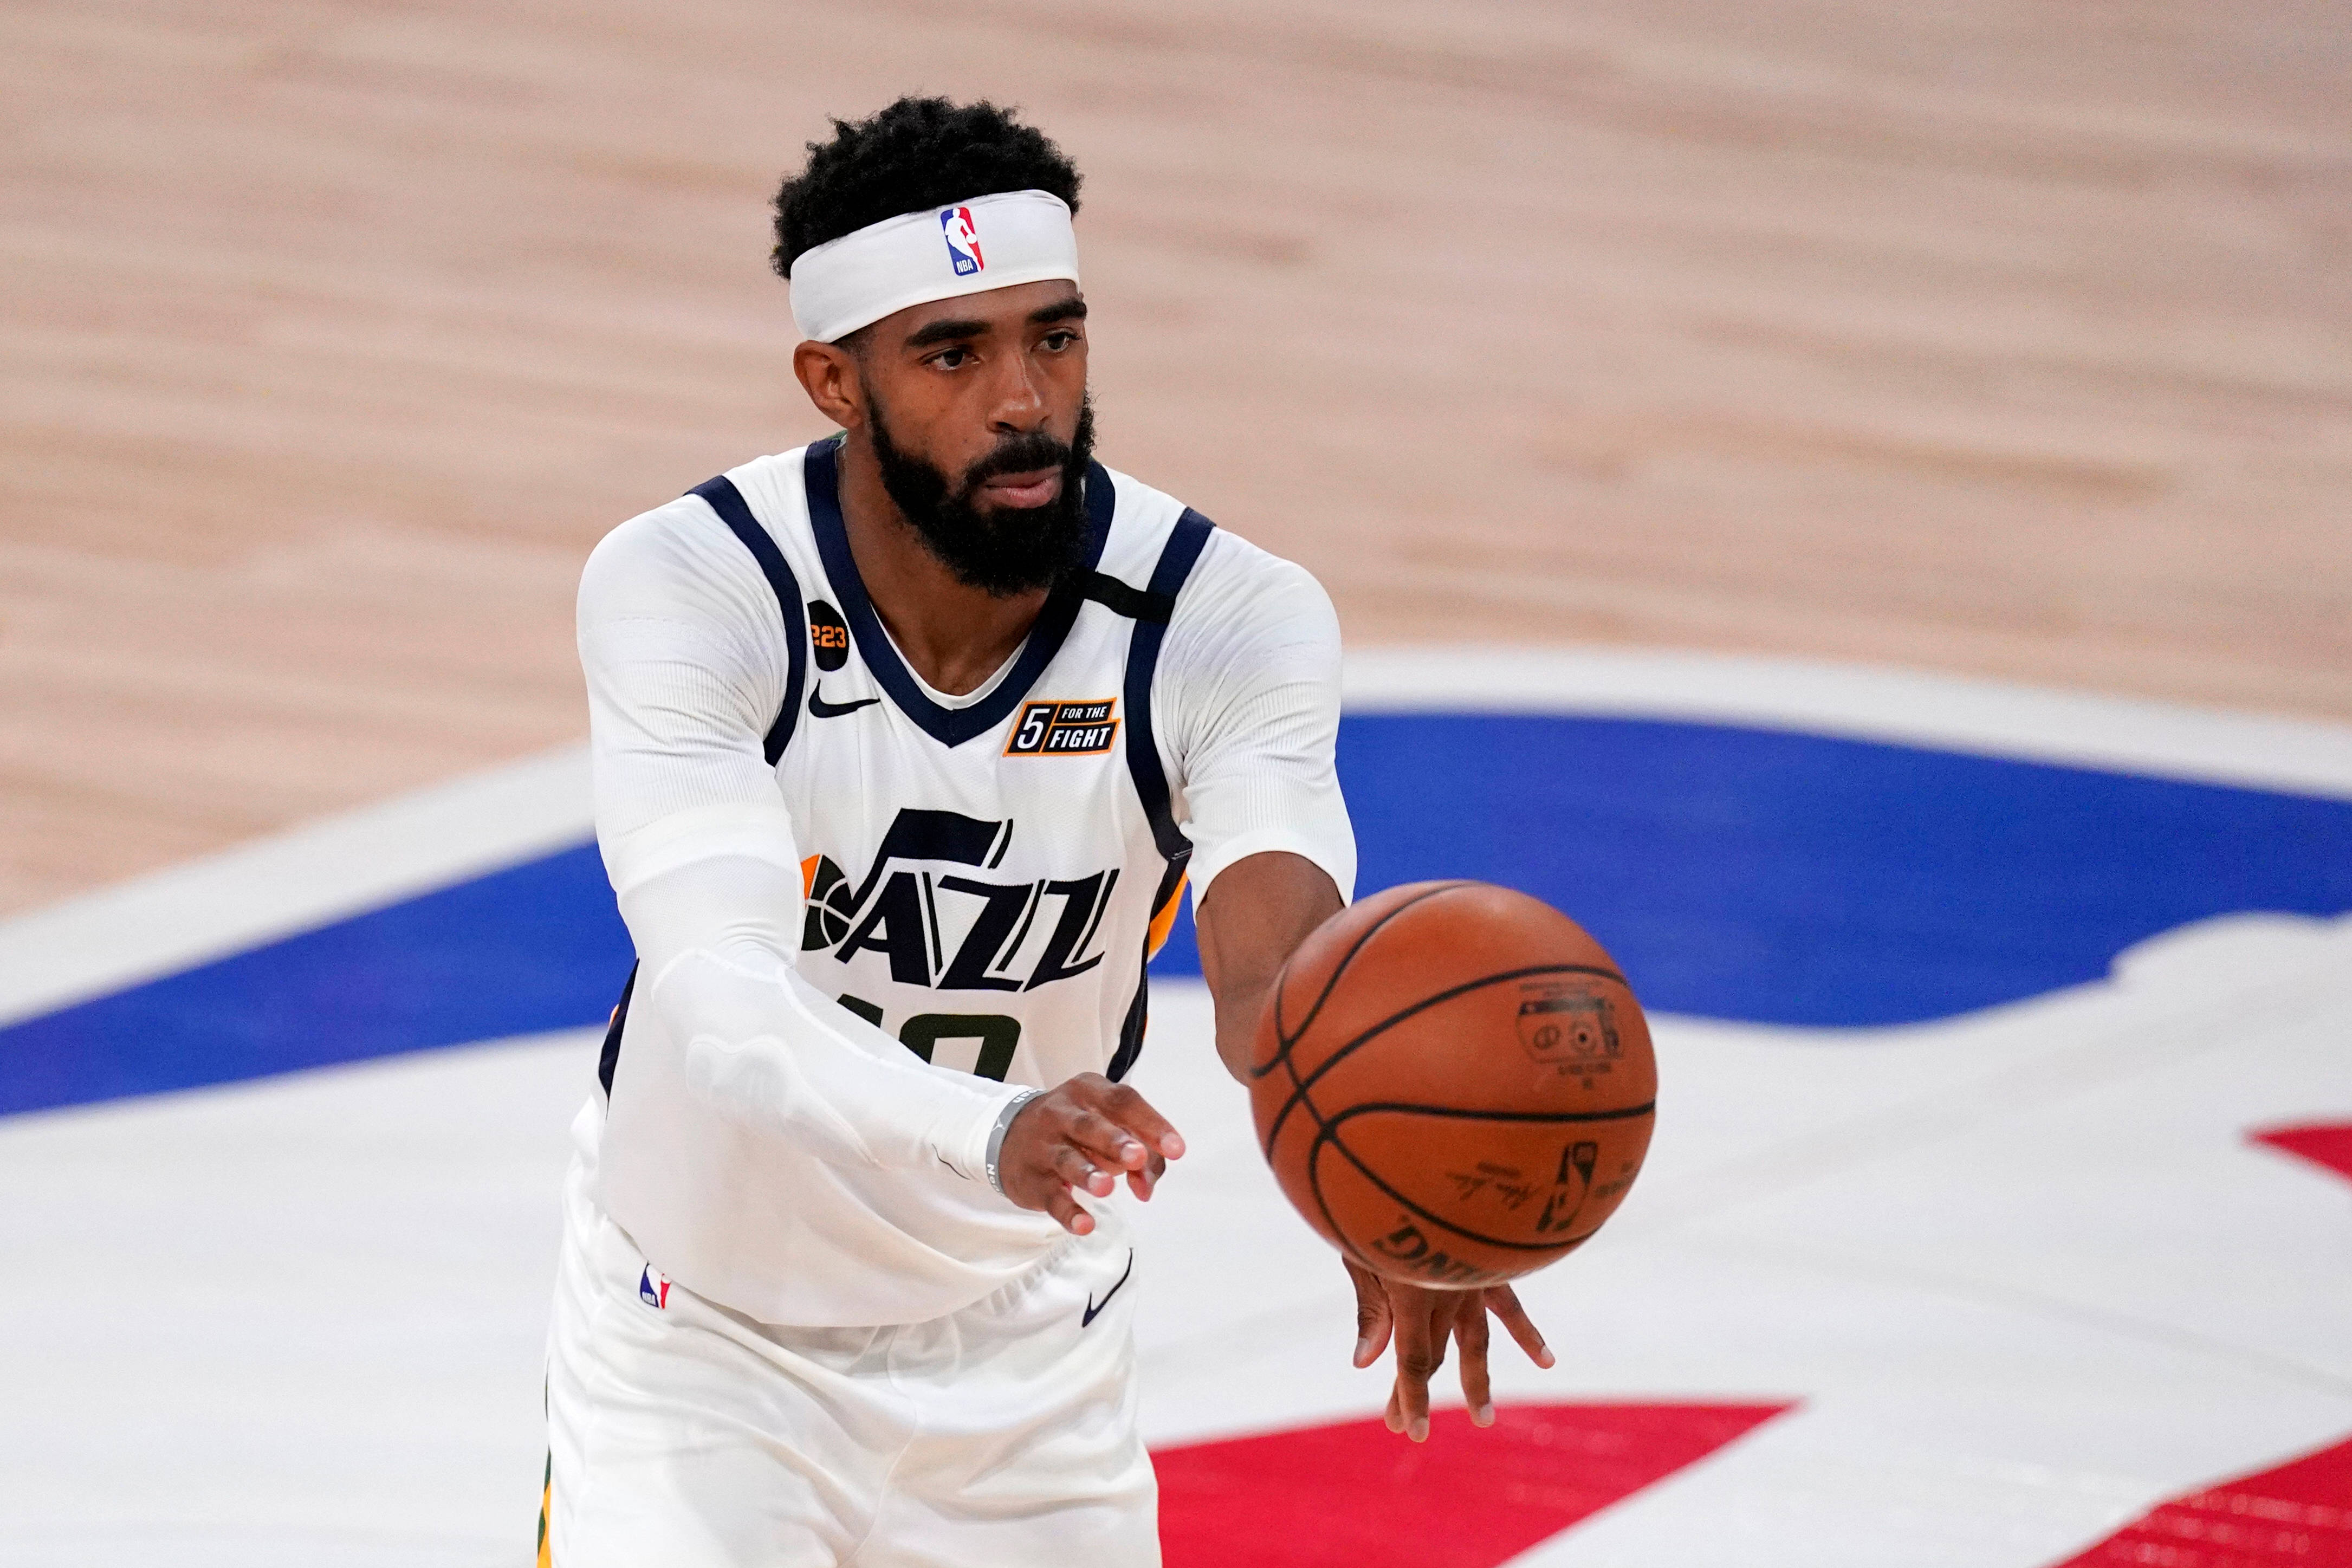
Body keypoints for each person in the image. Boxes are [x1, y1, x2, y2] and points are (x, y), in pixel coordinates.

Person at [540, 95, 1554, 1567]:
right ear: (834, 381)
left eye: (1056, 338)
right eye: (953, 353)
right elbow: (723, 1005)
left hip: (1030, 1357)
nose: (1025, 399)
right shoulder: (696, 585)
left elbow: (1273, 976)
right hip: (704, 1346)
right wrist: (992, 1129)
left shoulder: (1228, 616)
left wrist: (1386, 1172)